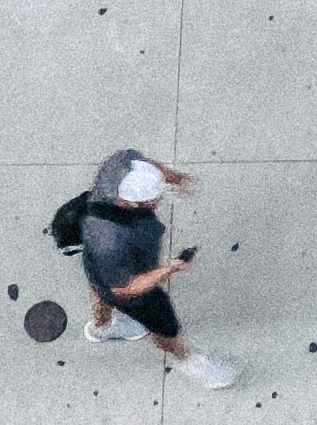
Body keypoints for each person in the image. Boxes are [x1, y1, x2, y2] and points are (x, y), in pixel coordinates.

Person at [80, 150, 236, 389]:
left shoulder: (118, 166)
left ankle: (103, 327)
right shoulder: (111, 241)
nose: (157, 202)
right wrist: (169, 268)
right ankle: (194, 364)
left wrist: (175, 178)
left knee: (98, 286)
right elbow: (124, 288)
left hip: (97, 267)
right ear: (132, 203)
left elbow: (146, 164)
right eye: (152, 200)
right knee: (163, 326)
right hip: (128, 286)